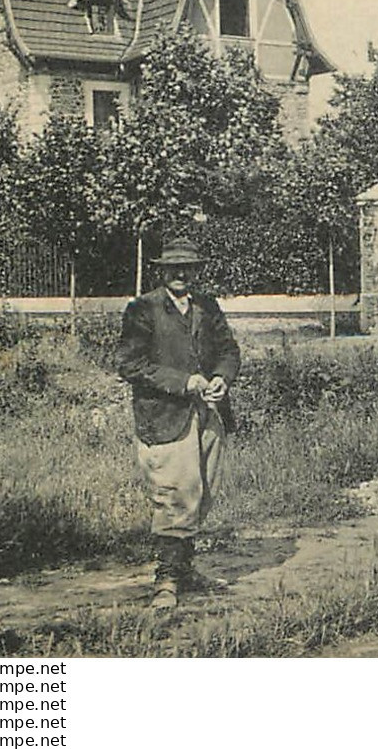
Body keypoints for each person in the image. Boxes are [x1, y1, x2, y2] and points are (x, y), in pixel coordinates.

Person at [116, 238, 240, 610]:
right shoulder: (143, 309)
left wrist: (221, 378)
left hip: (209, 413)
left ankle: (185, 570)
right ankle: (166, 579)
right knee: (174, 492)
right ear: (162, 270)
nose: (181, 274)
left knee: (202, 491)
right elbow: (129, 363)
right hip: (165, 415)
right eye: (174, 268)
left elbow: (229, 351)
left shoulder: (207, 306)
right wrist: (184, 382)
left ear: (197, 270)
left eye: (188, 267)